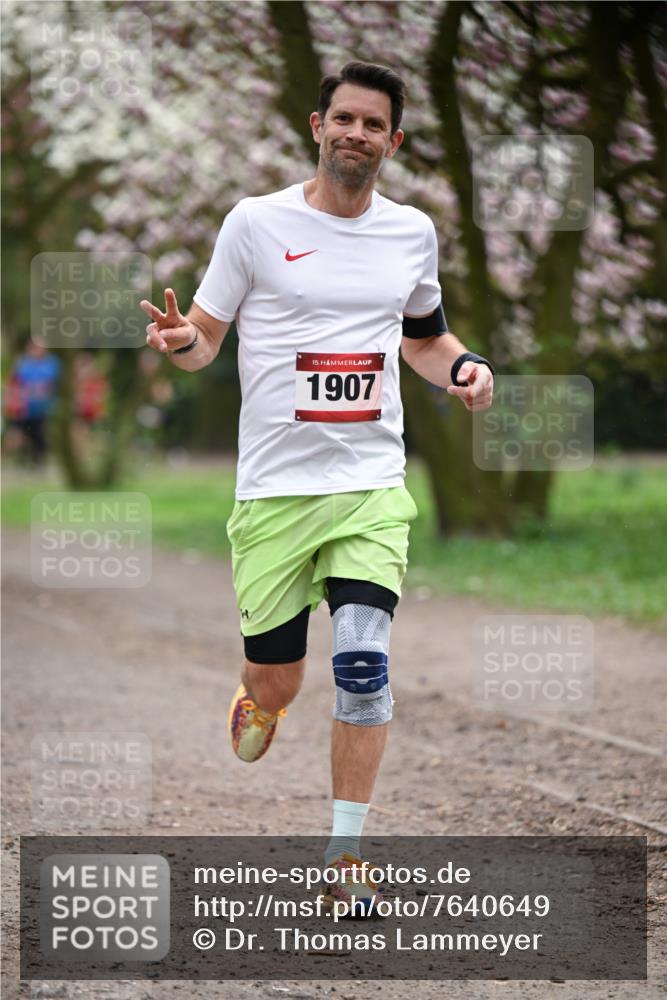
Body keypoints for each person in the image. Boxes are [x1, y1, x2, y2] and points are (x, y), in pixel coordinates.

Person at [140, 61, 494, 913]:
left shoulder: (411, 232)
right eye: (344, 119)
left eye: (373, 125)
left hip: (370, 480)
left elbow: (423, 338)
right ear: (316, 125)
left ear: (393, 142)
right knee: (281, 679)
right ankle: (258, 701)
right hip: (274, 491)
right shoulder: (255, 224)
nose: (356, 134)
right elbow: (207, 340)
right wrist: (181, 338)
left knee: (364, 663)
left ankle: (345, 856)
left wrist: (467, 366)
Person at [4, 338, 62, 466]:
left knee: (40, 436)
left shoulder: (52, 364)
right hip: (23, 409)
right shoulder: (22, 363)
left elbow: (55, 386)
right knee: (16, 435)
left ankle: (39, 463)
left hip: (43, 409)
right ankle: (14, 461)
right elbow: (14, 384)